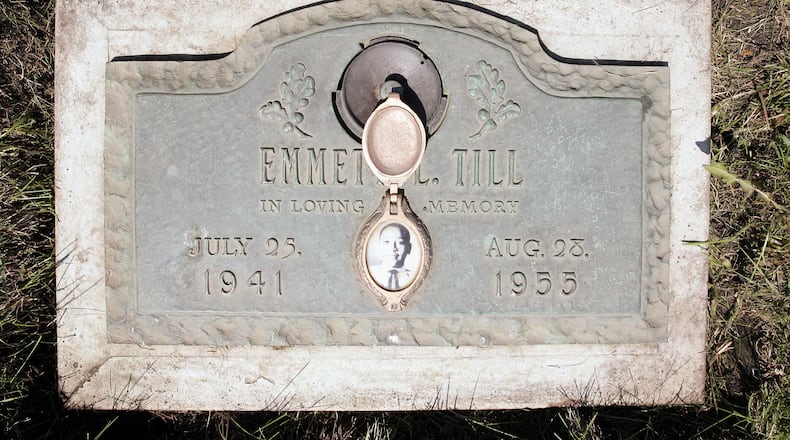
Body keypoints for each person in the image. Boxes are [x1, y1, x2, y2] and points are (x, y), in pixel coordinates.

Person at [367, 222, 414, 291]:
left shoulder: (414, 277)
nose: (393, 248)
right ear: (379, 246)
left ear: (409, 248)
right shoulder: (369, 274)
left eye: (400, 242)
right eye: (387, 242)